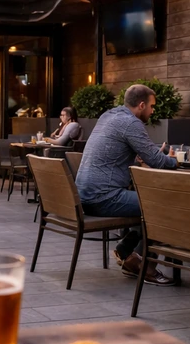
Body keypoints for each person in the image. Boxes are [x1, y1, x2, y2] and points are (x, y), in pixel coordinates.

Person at [76, 84, 178, 285]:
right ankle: (145, 267)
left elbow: (123, 153)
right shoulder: (131, 123)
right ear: (141, 105)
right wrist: (176, 162)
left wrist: (144, 157)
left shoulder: (108, 116)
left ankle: (126, 253)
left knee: (148, 203)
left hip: (85, 195)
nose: (153, 111)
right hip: (103, 198)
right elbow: (156, 160)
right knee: (162, 206)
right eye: (152, 106)